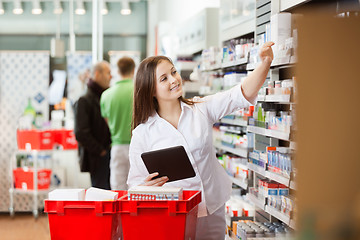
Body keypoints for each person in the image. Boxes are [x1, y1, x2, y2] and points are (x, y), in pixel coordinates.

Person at [127, 42, 274, 239]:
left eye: (173, 72)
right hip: (175, 213)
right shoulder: (143, 133)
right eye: (164, 78)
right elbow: (134, 185)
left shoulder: (200, 109)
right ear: (151, 90)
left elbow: (240, 94)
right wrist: (146, 187)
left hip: (212, 206)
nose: (174, 80)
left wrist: (266, 62)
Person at [74, 61, 112, 190]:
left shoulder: (105, 97)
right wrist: (100, 150)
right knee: (102, 196)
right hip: (97, 157)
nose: (111, 76)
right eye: (108, 73)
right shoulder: (85, 100)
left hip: (109, 154)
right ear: (97, 74)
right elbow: (81, 133)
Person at [100, 57, 135, 190]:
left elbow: (107, 121)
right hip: (137, 145)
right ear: (133, 70)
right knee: (138, 187)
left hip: (117, 146)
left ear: (118, 71)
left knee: (117, 188)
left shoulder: (106, 95)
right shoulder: (138, 91)